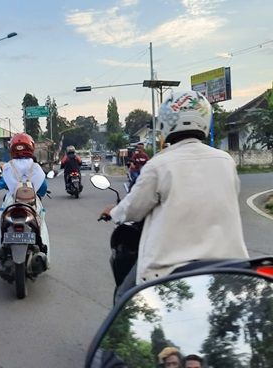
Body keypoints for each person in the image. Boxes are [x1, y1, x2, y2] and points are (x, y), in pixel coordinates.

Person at [100, 90, 248, 303]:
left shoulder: (159, 164)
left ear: (166, 123)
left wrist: (113, 212)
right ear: (204, 119)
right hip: (230, 264)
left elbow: (134, 207)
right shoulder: (226, 161)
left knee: (124, 297)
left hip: (170, 269)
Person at [0, 133, 50, 263]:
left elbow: (2, 184)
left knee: (2, 226)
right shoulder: (36, 167)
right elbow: (43, 188)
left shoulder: (8, 166)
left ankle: (0, 251)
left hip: (11, 202)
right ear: (31, 148)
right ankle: (42, 250)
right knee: (41, 226)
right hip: (32, 203)